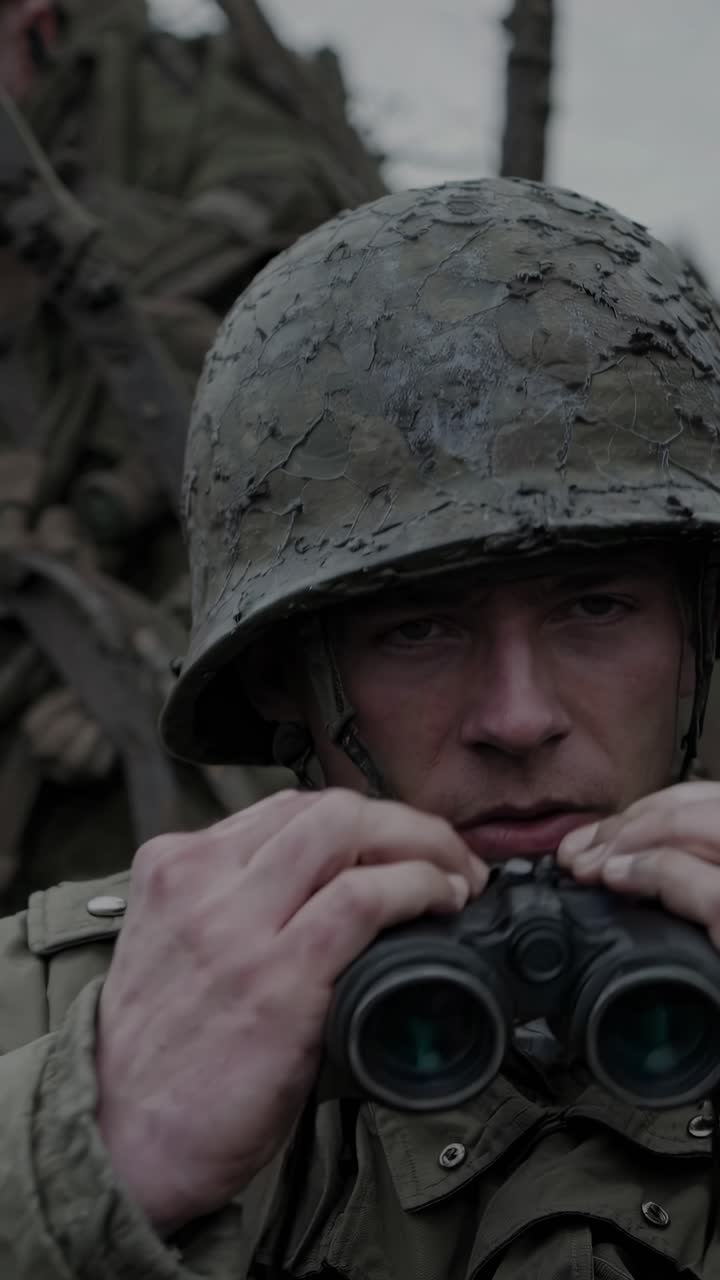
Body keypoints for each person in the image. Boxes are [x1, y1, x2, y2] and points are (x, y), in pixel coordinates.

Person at [1, 176, 720, 1278]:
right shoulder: (78, 1007)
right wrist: (85, 1163)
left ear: (697, 633)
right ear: (290, 673)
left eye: (597, 606)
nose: (517, 716)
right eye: (420, 629)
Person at [0, 0, 385, 910]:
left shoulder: (175, 100)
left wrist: (164, 651)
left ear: (33, 20)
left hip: (186, 671)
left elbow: (283, 236)